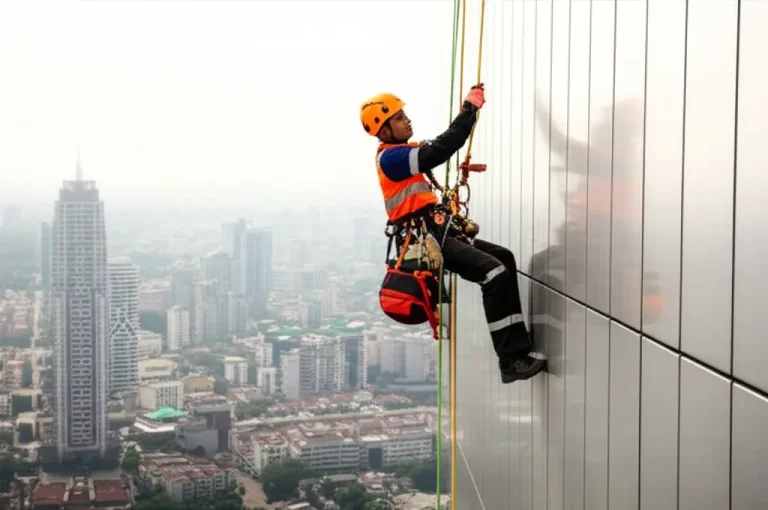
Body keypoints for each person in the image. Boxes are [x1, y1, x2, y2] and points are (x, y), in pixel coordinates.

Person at [360, 85, 546, 384]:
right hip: (426, 239)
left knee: (503, 258)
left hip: (436, 233)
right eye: (399, 118)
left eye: (405, 115)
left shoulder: (402, 153)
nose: (407, 120)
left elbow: (437, 147)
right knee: (493, 273)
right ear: (384, 130)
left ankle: (518, 345)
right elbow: (441, 148)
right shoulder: (391, 159)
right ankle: (511, 359)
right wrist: (468, 111)